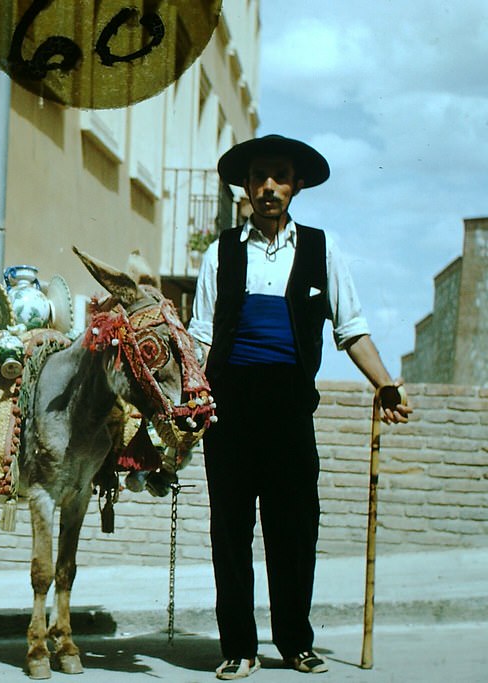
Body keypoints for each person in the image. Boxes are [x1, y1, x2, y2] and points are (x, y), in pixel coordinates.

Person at [188, 134, 413, 680]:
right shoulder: (221, 252)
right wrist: (185, 400)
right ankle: (238, 647)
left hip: (290, 415)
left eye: (281, 177)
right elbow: (200, 338)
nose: (269, 187)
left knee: (293, 531)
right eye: (259, 177)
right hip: (229, 414)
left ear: (297, 186)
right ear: (246, 187)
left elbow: (351, 329)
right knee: (230, 533)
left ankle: (295, 642)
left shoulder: (321, 249)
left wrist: (385, 384)